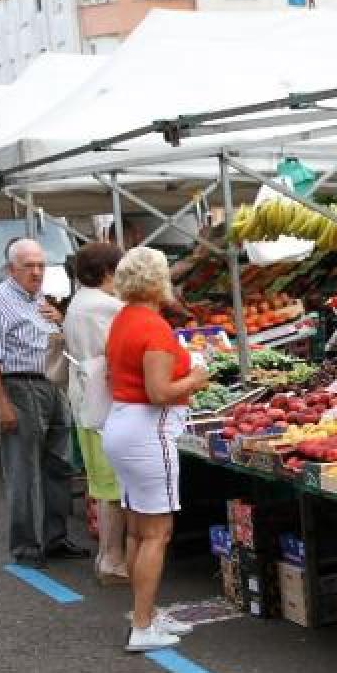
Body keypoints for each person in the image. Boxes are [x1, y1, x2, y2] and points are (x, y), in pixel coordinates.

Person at [102, 246, 208, 652]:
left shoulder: (123, 320)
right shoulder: (154, 328)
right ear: (156, 281)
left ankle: (143, 611)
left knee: (137, 528)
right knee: (157, 533)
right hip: (148, 431)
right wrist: (196, 379)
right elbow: (160, 391)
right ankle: (143, 626)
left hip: (122, 424)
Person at [0, 238, 89, 567]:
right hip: (20, 386)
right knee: (24, 470)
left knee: (59, 465)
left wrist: (58, 318)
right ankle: (26, 546)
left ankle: (55, 538)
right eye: (29, 265)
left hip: (52, 384)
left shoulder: (38, 297)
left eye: (41, 265)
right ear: (12, 269)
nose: (37, 271)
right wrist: (1, 403)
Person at [63, 243, 127, 586]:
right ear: (107, 272)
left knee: (101, 483)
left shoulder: (78, 303)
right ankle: (113, 560)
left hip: (84, 400)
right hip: (105, 402)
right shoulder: (107, 306)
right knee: (114, 486)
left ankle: (107, 555)